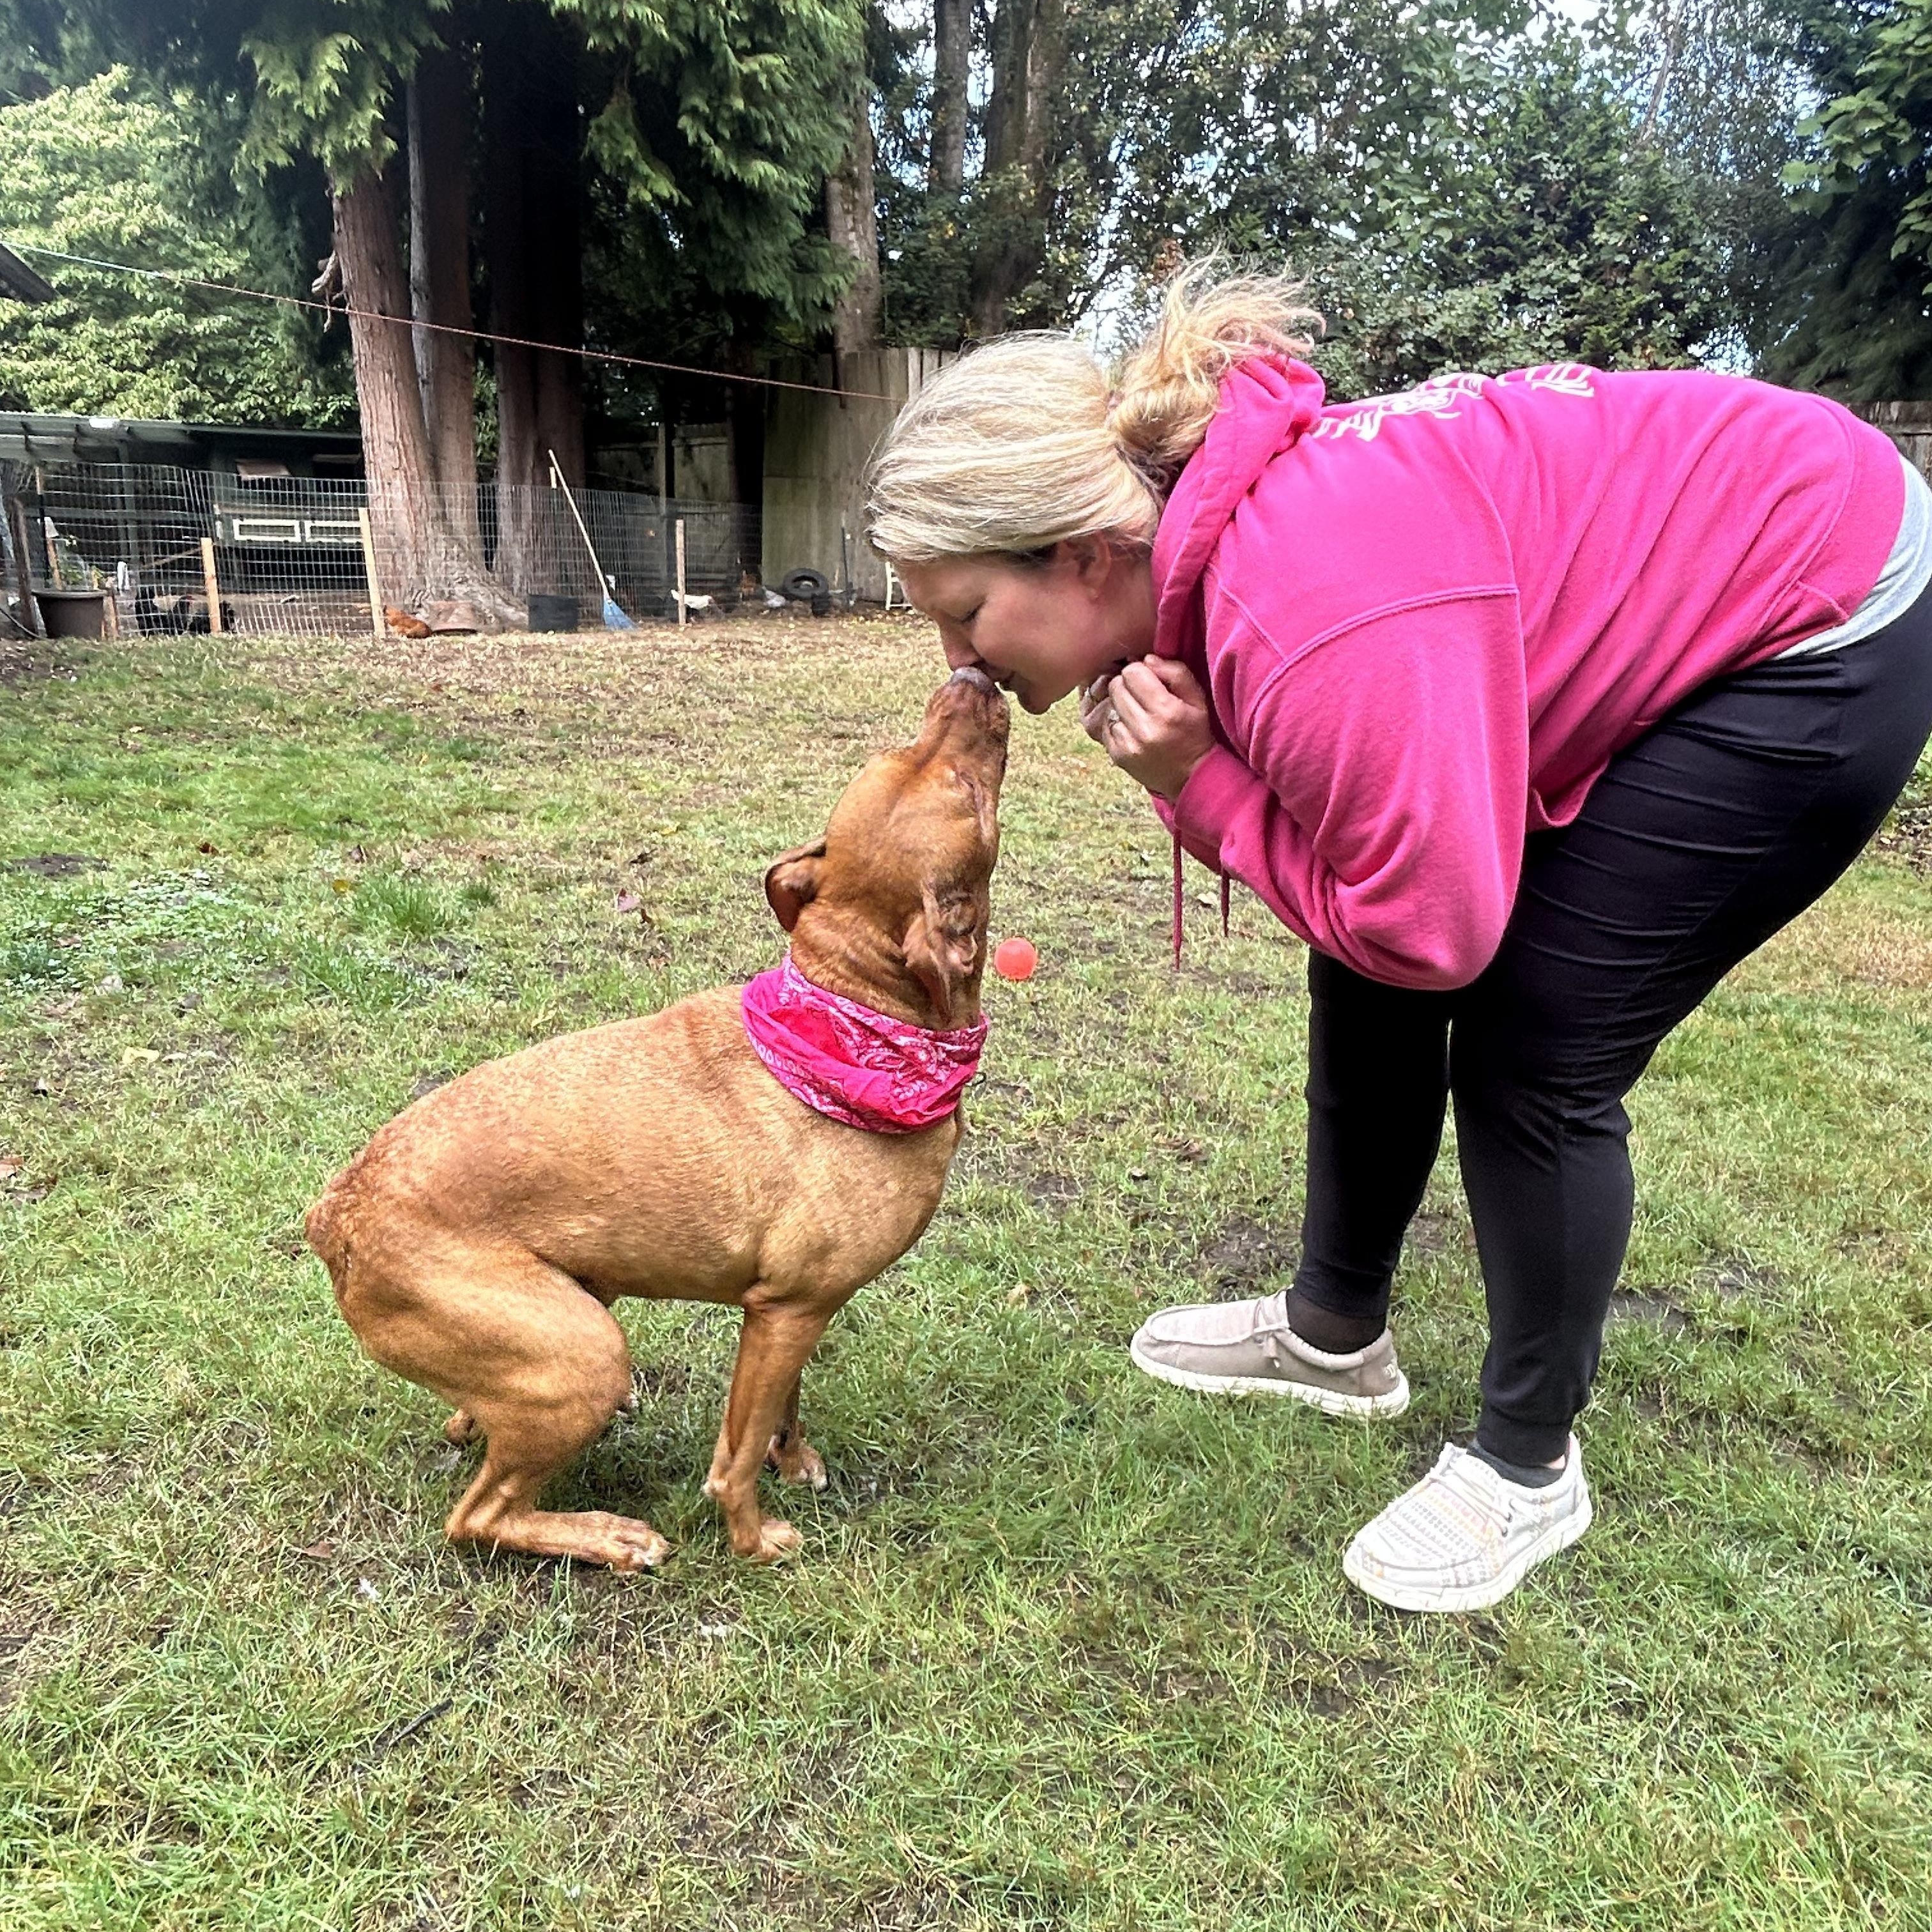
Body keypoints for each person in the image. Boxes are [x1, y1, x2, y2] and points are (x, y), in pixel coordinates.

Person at [866, 264, 1932, 1613]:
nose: (959, 662)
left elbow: (1432, 935)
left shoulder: (1301, 611)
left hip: (1821, 612)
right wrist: (1216, 777)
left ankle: (1528, 1464)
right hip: (1744, 546)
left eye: (964, 614)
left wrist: (1201, 785)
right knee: (1364, 939)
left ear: (1081, 554)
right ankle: (1334, 1334)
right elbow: (1368, 884)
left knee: (1535, 1039)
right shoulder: (1220, 557)